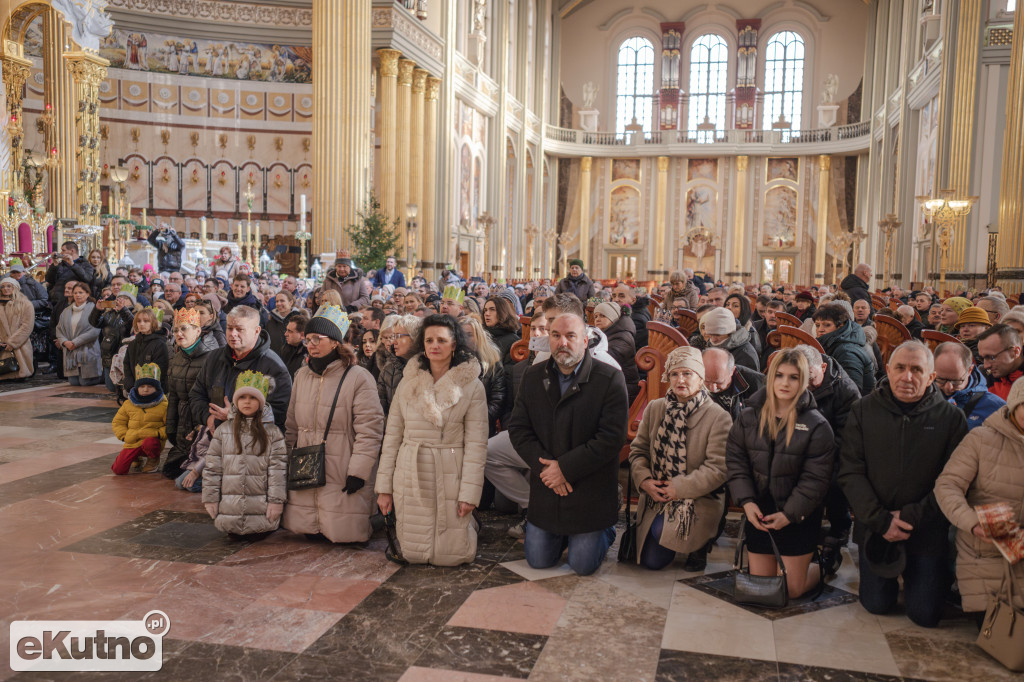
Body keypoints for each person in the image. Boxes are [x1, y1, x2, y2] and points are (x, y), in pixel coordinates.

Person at [839, 340, 968, 627]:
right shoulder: (863, 410)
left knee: (924, 615)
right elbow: (850, 471)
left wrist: (910, 517)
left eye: (916, 370)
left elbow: (953, 481)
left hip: (926, 528)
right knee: (876, 605)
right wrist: (881, 519)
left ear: (931, 377)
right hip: (876, 525)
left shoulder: (951, 418)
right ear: (888, 369)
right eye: (900, 368)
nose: (906, 377)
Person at [508, 310, 628, 576]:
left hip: (589, 488)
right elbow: (518, 429)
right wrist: (549, 471)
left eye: (570, 336)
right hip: (548, 486)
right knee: (538, 560)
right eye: (556, 336)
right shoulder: (533, 376)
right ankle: (564, 536)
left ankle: (603, 530)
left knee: (582, 565)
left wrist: (565, 468)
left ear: (585, 340)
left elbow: (611, 438)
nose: (562, 343)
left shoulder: (609, 379)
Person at [376, 314, 488, 566]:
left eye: (441, 340)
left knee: (452, 552)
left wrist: (470, 493)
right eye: (429, 340)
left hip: (451, 470)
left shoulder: (472, 386)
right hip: (411, 468)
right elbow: (392, 436)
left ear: (454, 344)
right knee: (414, 550)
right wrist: (384, 488)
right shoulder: (408, 382)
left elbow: (476, 445)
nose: (434, 345)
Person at [726, 349, 834, 599]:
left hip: (798, 513)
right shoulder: (748, 416)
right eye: (780, 376)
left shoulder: (817, 425)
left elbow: (815, 480)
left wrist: (789, 514)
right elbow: (736, 461)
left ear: (805, 381)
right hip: (760, 510)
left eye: (794, 377)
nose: (785, 383)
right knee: (763, 585)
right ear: (771, 378)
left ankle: (824, 565)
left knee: (789, 590)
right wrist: (747, 503)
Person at [283, 305, 385, 543]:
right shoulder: (302, 376)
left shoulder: (358, 377)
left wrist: (358, 471)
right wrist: (287, 459)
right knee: (310, 531)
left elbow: (370, 430)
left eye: (317, 338)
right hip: (307, 464)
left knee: (342, 530)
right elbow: (292, 425)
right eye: (308, 339)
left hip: (343, 465)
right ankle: (311, 525)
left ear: (336, 342)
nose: (311, 344)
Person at [629, 347, 732, 571]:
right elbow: (638, 451)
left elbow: (717, 469)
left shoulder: (718, 417)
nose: (680, 380)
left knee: (659, 533)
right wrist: (645, 481)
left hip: (696, 498)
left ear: (700, 377)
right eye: (674, 374)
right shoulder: (656, 408)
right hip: (657, 494)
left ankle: (700, 544)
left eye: (687, 373)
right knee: (650, 563)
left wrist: (678, 488)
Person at [935, 377, 1024, 624]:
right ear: (1015, 405)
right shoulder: (982, 439)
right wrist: (973, 522)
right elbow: (947, 485)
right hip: (985, 553)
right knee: (1005, 633)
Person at [793, 344, 861, 575]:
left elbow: (848, 438)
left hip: (834, 453)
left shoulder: (846, 390)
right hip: (801, 449)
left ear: (822, 366)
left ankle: (839, 527)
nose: (806, 385)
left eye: (810, 377)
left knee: (831, 480)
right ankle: (799, 527)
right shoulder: (793, 382)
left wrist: (814, 456)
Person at [203, 370, 287, 537]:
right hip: (230, 517)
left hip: (262, 518)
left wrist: (276, 502)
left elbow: (278, 471)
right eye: (242, 397)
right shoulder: (224, 431)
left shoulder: (272, 432)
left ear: (261, 402)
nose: (247, 402)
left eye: (253, 398)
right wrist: (210, 498)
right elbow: (213, 468)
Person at [189, 305, 292, 433]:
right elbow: (196, 395)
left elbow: (278, 413)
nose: (233, 334)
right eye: (229, 328)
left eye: (239, 329)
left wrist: (236, 418)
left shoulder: (274, 367)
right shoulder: (214, 357)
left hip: (254, 445)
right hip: (216, 439)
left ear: (256, 331)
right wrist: (208, 417)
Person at [165, 308, 220, 478]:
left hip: (201, 423)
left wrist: (200, 427)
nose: (179, 333)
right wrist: (170, 428)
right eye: (175, 330)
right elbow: (173, 397)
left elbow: (212, 399)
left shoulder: (211, 358)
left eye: (184, 328)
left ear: (197, 330)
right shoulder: (176, 359)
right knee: (170, 471)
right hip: (182, 421)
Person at [933, 341, 1005, 432]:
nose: (949, 387)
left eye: (956, 381)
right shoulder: (922, 399)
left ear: (970, 370)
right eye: (941, 379)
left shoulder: (997, 408)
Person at [110, 363, 167, 474]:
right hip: (133, 441)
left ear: (156, 388)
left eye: (150, 387)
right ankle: (136, 457)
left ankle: (153, 460)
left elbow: (169, 425)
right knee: (118, 470)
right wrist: (124, 436)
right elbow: (118, 422)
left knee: (150, 443)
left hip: (151, 441)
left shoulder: (164, 405)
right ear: (137, 388)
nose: (145, 390)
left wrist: (159, 434)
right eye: (142, 386)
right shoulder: (128, 404)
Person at [812, 304, 875, 396]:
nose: (820, 329)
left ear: (841, 325)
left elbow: (853, 392)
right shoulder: (831, 343)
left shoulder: (847, 352)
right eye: (817, 325)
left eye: (827, 325)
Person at [460, 315, 507, 437]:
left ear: (478, 337)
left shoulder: (492, 363)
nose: (464, 339)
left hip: (481, 427)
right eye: (461, 335)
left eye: (469, 335)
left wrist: (476, 420)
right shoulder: (450, 361)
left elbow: (497, 400)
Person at [592, 300, 640, 405]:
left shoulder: (623, 337)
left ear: (613, 318)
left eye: (603, 316)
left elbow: (606, 359)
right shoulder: (604, 334)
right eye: (595, 316)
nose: (598, 319)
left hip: (625, 389)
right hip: (611, 385)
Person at [56, 282, 103, 386]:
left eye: (81, 292)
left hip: (87, 349)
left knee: (85, 382)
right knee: (74, 383)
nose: (77, 295)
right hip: (70, 350)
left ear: (87, 294)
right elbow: (59, 329)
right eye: (75, 292)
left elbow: (95, 330)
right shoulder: (66, 311)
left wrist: (75, 342)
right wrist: (64, 342)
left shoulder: (93, 308)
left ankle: (102, 377)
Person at [377, 314, 422, 416]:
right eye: (394, 336)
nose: (393, 341)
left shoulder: (429, 367)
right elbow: (380, 408)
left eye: (398, 336)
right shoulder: (388, 368)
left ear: (414, 337)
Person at [702, 347, 765, 420]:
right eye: (706, 381)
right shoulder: (692, 379)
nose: (712, 388)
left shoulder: (760, 385)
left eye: (719, 382)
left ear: (732, 371)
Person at [122, 308, 170, 393]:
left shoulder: (160, 344)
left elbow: (160, 371)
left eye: (146, 321)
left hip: (153, 390)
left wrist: (144, 388)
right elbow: (127, 365)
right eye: (139, 321)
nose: (142, 324)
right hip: (134, 388)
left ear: (153, 322)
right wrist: (130, 385)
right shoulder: (133, 343)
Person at [697, 307, 759, 371]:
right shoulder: (712, 345)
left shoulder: (746, 354)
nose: (713, 339)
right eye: (710, 335)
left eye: (717, 335)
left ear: (730, 332)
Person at [0, 277, 35, 381]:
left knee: (21, 370)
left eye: (9, 286)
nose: (5, 289)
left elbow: (27, 326)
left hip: (20, 344)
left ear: (15, 287)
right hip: (2, 345)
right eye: (3, 286)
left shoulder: (26, 304)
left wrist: (12, 343)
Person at [977, 324, 1023, 400]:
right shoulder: (984, 376)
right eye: (982, 358)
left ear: (1015, 352)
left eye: (991, 357)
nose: (986, 365)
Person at [482, 296, 521, 373]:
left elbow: (508, 374)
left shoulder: (513, 341)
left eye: (492, 310)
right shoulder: (481, 336)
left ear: (503, 312)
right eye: (485, 310)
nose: (487, 314)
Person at [279, 314, 309, 378]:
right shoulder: (285, 348)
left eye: (290, 331)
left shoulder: (308, 355)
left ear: (302, 335)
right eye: (286, 330)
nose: (285, 334)